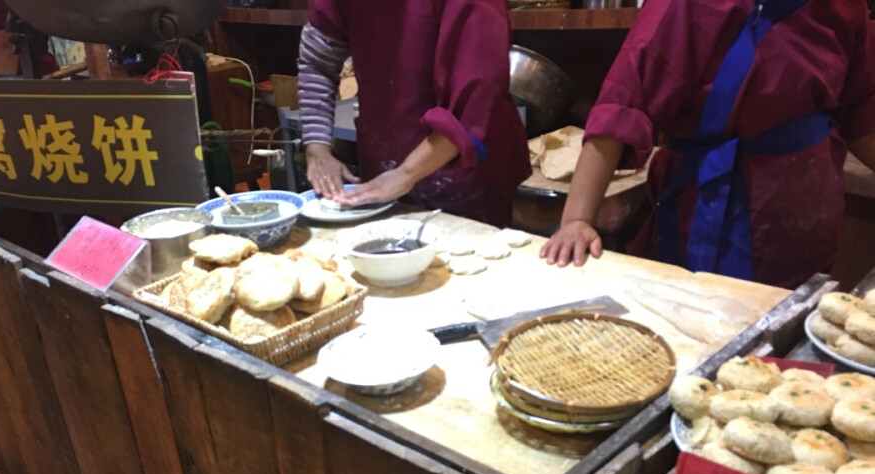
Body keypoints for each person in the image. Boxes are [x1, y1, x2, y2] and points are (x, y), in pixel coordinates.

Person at [539, 0, 875, 289]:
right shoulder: (687, 5)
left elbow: (862, 111)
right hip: (712, 212)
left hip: (805, 218)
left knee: (781, 348)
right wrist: (577, 222)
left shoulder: (846, 7)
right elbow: (625, 101)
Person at [296, 0, 531, 227]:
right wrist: (317, 146)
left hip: (467, 179)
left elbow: (473, 104)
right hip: (382, 168)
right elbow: (319, 60)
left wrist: (405, 175)